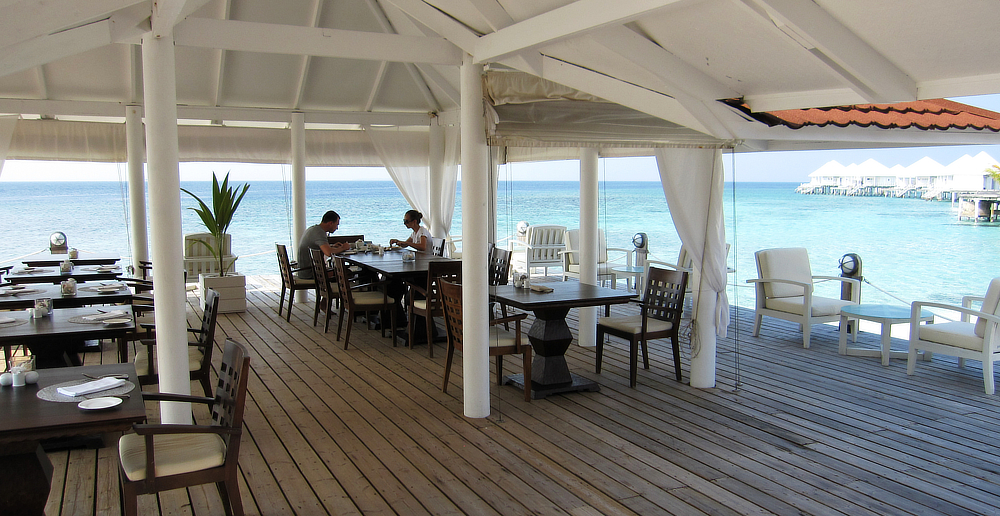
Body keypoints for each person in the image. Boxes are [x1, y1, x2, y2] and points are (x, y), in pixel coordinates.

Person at [297, 210, 350, 279]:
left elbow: (323, 248)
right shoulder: (319, 232)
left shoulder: (314, 229)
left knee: (343, 271)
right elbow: (328, 253)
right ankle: (349, 289)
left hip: (305, 271)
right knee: (347, 272)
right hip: (310, 273)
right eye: (336, 225)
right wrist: (343, 248)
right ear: (330, 223)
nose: (337, 228)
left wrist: (332, 247)